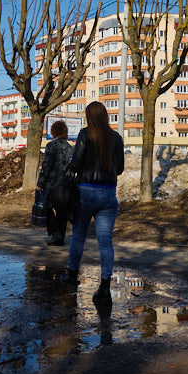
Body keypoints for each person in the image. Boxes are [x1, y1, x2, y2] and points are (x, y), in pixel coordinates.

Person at [62, 101, 125, 301]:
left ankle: (72, 276)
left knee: (78, 236)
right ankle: (105, 287)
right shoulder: (116, 138)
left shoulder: (85, 134)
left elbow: (76, 163)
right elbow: (120, 168)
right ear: (105, 116)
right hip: (108, 195)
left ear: (90, 117)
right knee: (105, 243)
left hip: (86, 193)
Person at [36, 120, 75, 246]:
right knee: (62, 211)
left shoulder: (51, 146)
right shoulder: (70, 148)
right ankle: (60, 238)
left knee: (46, 207)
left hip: (52, 184)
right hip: (66, 185)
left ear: (53, 131)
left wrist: (41, 182)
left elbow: (46, 166)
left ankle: (55, 233)